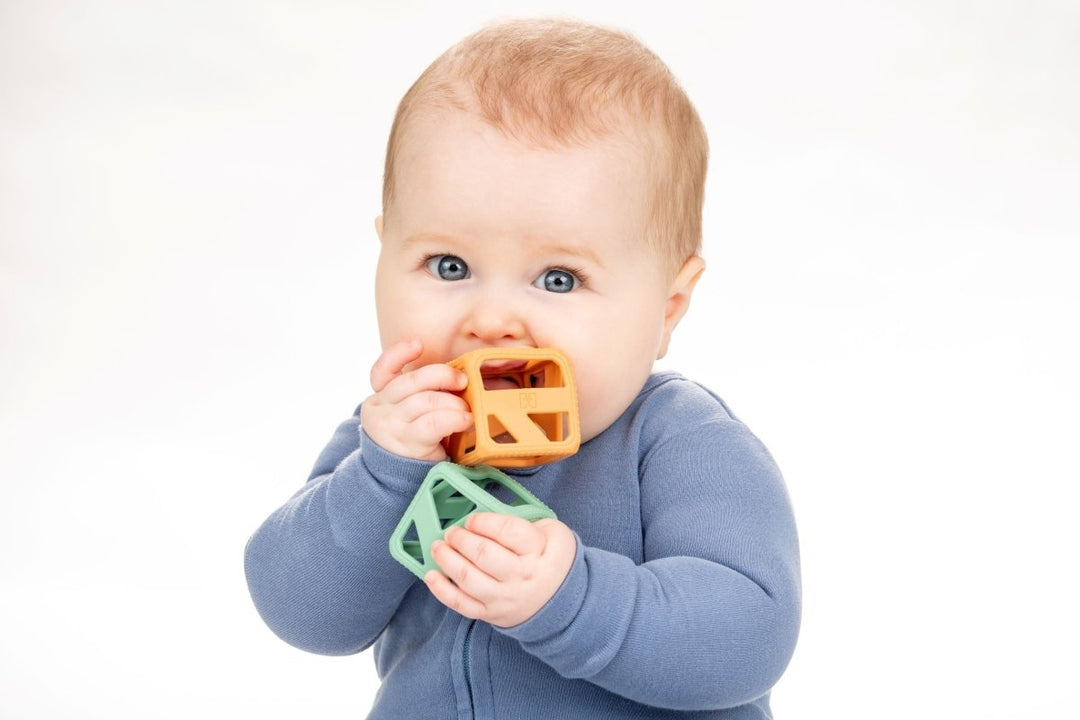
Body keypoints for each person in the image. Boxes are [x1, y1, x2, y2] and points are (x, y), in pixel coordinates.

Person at [245, 18, 800, 720]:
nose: (493, 320)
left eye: (559, 279)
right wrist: (381, 477)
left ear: (667, 307)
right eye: (450, 266)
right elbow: (304, 616)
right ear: (383, 257)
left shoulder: (681, 443)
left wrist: (568, 599)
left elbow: (748, 641)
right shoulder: (387, 445)